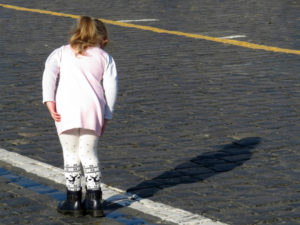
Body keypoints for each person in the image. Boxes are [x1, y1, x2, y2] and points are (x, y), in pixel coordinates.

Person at [42, 16, 118, 217]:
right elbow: (111, 88)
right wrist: (106, 116)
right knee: (89, 154)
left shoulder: (61, 52)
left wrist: (50, 101)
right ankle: (95, 201)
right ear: (101, 39)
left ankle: (73, 201)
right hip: (93, 109)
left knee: (70, 154)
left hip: (66, 109)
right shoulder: (104, 57)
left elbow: (49, 75)